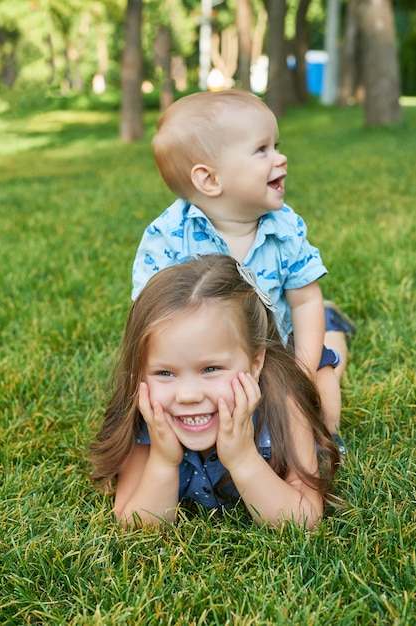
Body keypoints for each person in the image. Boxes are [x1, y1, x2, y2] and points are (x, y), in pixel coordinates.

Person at [131, 89, 355, 450]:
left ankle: (326, 438)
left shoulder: (284, 228)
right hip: (206, 364)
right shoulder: (169, 237)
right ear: (210, 180)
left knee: (323, 380)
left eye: (276, 146)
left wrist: (304, 368)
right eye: (261, 150)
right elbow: (149, 317)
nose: (280, 159)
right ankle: (335, 328)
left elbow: (305, 302)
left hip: (278, 348)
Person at [91, 255, 339, 528]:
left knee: (322, 382)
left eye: (210, 369)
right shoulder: (147, 414)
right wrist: (163, 460)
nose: (188, 395)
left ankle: (332, 327)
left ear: (256, 364)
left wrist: (243, 458)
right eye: (165, 373)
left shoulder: (285, 401)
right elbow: (134, 523)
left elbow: (305, 519)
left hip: (292, 380)